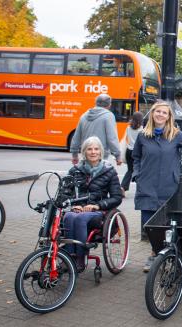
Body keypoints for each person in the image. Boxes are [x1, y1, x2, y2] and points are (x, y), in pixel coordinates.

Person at [132, 100, 182, 270]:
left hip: (169, 186)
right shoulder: (142, 135)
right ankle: (155, 254)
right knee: (150, 225)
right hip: (147, 185)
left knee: (169, 224)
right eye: (158, 111)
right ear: (152, 114)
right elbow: (136, 157)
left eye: (164, 113)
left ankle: (172, 255)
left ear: (169, 117)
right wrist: (137, 174)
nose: (160, 114)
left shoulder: (175, 135)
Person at [62, 136, 123, 272]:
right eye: (89, 149)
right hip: (78, 208)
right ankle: (69, 257)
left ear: (101, 152)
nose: (93, 152)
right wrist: (72, 204)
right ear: (84, 152)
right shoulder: (75, 171)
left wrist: (98, 205)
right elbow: (65, 193)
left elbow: (117, 197)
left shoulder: (109, 171)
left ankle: (80, 258)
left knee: (80, 218)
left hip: (98, 211)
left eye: (96, 149)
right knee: (68, 217)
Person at [70, 94, 122, 166]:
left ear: (96, 103)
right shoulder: (108, 116)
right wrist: (118, 156)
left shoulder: (84, 115)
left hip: (86, 153)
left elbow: (76, 137)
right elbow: (112, 138)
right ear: (109, 105)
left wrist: (74, 155)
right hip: (100, 154)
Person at [120, 112, 144, 197]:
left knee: (130, 170)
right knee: (139, 170)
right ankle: (141, 189)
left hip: (128, 151)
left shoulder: (128, 127)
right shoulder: (142, 129)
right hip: (138, 152)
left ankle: (123, 187)